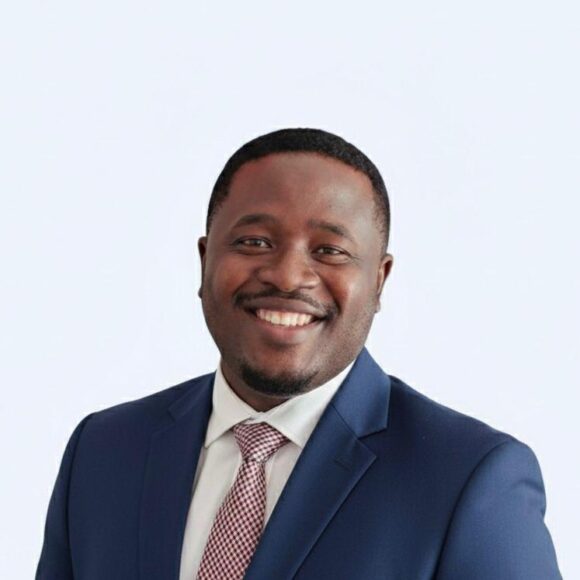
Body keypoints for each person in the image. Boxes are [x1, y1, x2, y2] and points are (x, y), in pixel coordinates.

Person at [36, 128, 562, 579]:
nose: (287, 276)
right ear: (204, 260)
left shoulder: (470, 479)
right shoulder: (104, 451)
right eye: (254, 242)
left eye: (330, 250)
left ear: (379, 281)